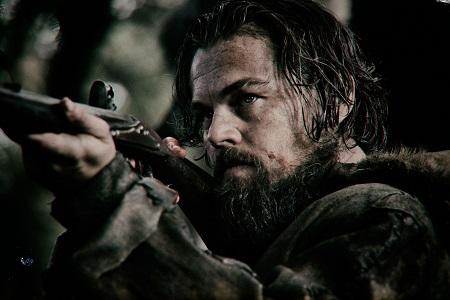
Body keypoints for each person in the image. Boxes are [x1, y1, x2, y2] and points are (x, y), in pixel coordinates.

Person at [5, 0, 450, 299]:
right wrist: (157, 214)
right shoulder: (253, 215)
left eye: (247, 99)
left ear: (335, 100)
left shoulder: (386, 217)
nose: (216, 133)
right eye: (204, 112)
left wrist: (111, 200)